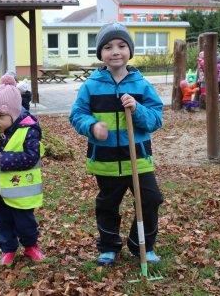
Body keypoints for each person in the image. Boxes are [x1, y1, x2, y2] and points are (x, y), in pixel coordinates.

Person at [69, 22, 164, 266]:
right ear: (100, 53)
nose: (115, 51)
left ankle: (142, 244)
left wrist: (138, 109)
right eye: (108, 47)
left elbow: (156, 119)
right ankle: (109, 246)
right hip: (106, 160)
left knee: (150, 199)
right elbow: (77, 115)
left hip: (138, 158)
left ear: (130, 51)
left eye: (121, 45)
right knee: (108, 204)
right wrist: (92, 126)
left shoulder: (141, 84)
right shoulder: (91, 85)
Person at [0, 75, 45, 266]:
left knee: (24, 222)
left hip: (20, 189)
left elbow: (32, 156)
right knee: (3, 222)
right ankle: (8, 249)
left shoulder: (29, 129)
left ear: (13, 113)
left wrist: (3, 159)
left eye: (0, 116)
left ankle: (30, 246)